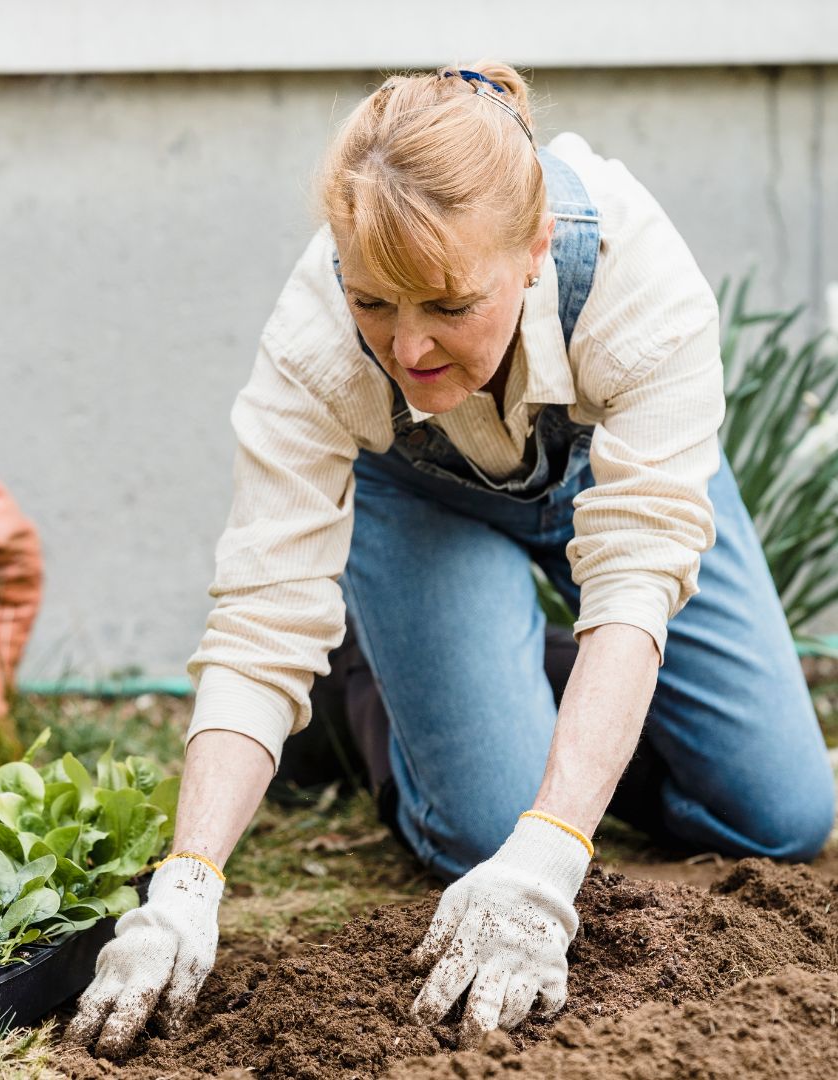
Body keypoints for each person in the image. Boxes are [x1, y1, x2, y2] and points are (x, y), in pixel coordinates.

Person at [67, 61, 835, 1058]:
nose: (410, 349)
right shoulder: (314, 344)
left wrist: (556, 847)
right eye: (375, 303)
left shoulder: (638, 281)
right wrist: (186, 884)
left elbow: (638, 579)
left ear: (533, 246)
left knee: (782, 813)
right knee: (485, 835)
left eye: (446, 303)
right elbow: (262, 620)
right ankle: (367, 691)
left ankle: (486, 674)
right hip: (420, 500)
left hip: (615, 478)